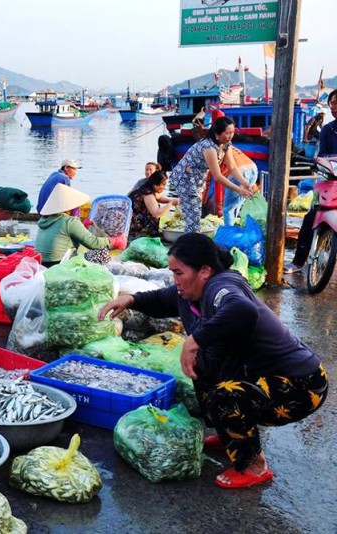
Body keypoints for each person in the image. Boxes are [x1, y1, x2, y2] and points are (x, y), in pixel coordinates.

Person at [98, 233, 328, 489]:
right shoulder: (188, 292)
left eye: (179, 273)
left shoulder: (222, 287)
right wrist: (130, 299)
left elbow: (243, 309)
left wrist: (193, 340)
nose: (175, 281)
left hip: (301, 384)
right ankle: (232, 435)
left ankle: (254, 464)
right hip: (261, 376)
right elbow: (163, 299)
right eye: (172, 273)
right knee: (202, 368)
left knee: (224, 396)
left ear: (205, 271)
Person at [169, 116, 253, 233]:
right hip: (185, 179)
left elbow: (232, 167)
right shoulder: (208, 147)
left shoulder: (226, 144)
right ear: (217, 134)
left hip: (197, 179)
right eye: (227, 133)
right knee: (193, 219)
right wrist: (239, 190)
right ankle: (189, 245)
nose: (230, 136)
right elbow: (217, 176)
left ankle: (191, 243)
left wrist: (245, 183)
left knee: (195, 216)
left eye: (232, 132)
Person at [285, 89, 337, 273]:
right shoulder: (328, 131)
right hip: (329, 181)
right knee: (310, 217)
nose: (334, 107)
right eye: (333, 103)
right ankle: (298, 261)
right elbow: (323, 155)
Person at [35, 184, 126, 267]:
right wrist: (114, 241)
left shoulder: (43, 220)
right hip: (61, 264)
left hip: (42, 264)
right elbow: (93, 243)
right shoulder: (69, 221)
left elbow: (63, 234)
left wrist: (82, 226)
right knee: (103, 253)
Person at [128, 170, 179, 238]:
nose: (164, 187)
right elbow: (156, 214)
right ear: (155, 183)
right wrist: (171, 203)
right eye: (163, 184)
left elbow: (159, 198)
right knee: (156, 211)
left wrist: (173, 200)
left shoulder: (148, 188)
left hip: (133, 219)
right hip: (136, 224)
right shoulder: (147, 194)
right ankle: (147, 234)